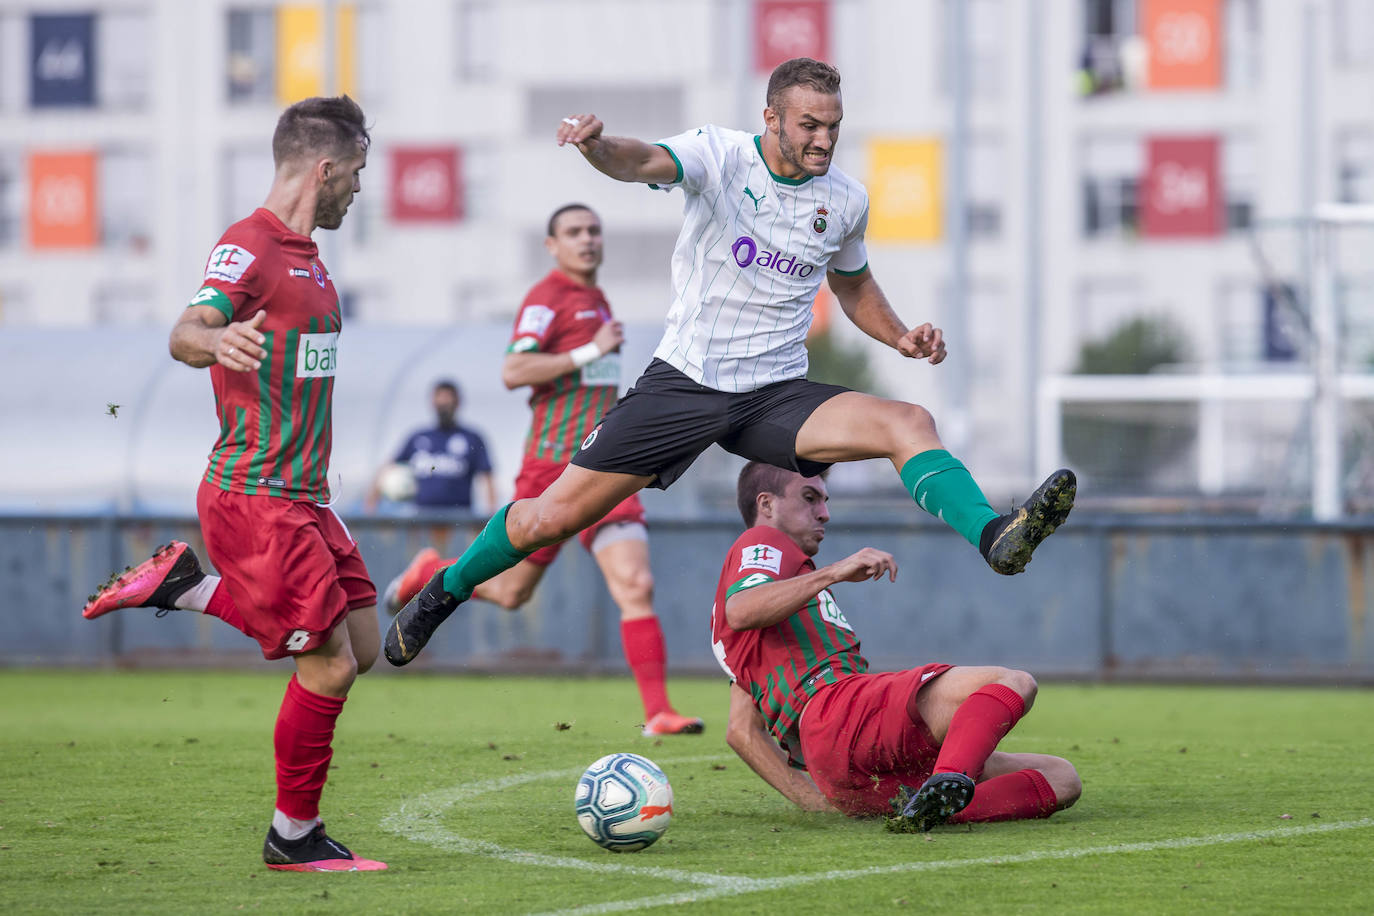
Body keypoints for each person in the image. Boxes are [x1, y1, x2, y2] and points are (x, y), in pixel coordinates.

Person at [384, 57, 1076, 667]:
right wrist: (598, 147)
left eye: (833, 126)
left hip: (775, 395)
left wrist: (897, 337)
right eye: (809, 124)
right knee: (546, 520)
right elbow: (638, 160)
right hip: (684, 385)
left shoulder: (845, 199)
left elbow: (853, 283)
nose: (823, 140)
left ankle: (994, 536)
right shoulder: (720, 156)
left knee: (908, 419)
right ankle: (445, 589)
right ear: (771, 117)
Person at [81, 95, 385, 872]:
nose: (359, 187)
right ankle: (293, 838)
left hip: (307, 499)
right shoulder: (247, 246)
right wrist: (217, 340)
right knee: (327, 666)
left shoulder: (312, 262)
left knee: (364, 647)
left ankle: (182, 586)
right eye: (355, 172)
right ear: (323, 168)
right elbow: (186, 330)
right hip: (257, 496)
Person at [382, 203, 703, 736]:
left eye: (594, 230)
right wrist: (586, 353)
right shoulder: (547, 299)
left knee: (636, 582)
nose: (588, 239)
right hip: (551, 467)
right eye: (574, 232)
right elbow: (514, 369)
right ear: (552, 246)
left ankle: (658, 713)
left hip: (607, 463)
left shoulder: (597, 302)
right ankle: (430, 572)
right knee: (511, 594)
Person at [716, 462, 1082, 828]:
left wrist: (815, 800)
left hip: (844, 771)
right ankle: (951, 779)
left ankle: (935, 808)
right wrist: (834, 572)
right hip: (838, 713)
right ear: (766, 505)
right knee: (1012, 683)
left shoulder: (767, 599)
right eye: (809, 499)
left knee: (1061, 777)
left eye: (825, 501)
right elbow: (744, 608)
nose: (824, 514)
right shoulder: (761, 541)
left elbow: (742, 730)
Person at [364, 379, 496, 513]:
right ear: (433, 403)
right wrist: (370, 508)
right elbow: (387, 469)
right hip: (422, 520)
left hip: (459, 520)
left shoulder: (472, 438)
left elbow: (487, 478)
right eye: (440, 401)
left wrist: (490, 516)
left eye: (448, 401)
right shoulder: (417, 437)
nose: (444, 405)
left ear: (457, 403)